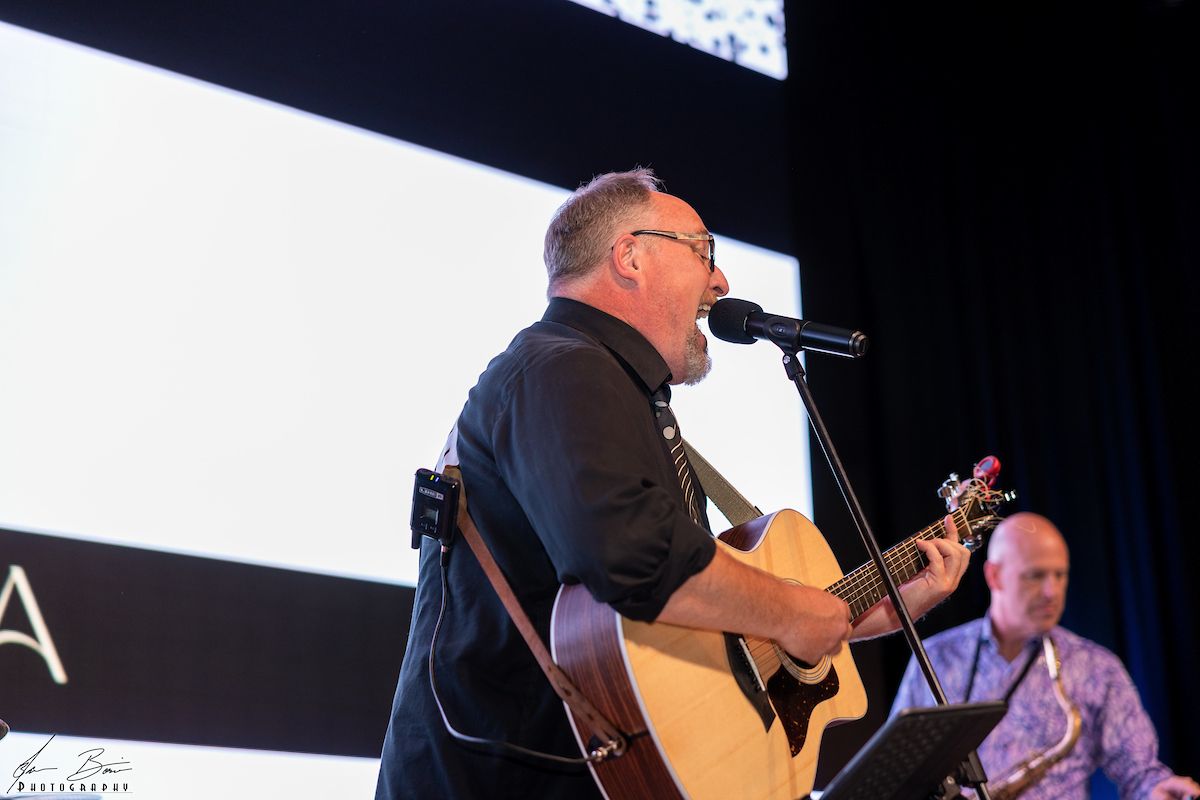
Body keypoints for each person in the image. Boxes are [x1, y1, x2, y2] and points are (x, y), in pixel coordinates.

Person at [375, 168, 972, 799]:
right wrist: (799, 609)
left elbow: (693, 628)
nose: (721, 281)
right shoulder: (563, 368)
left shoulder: (611, 387)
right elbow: (635, 558)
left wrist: (867, 613)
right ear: (630, 255)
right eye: (704, 250)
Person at [890, 512, 1200, 800]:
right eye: (1036, 575)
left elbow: (1140, 773)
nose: (1052, 591)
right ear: (994, 576)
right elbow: (896, 773)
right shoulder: (935, 657)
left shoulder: (1096, 667)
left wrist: (1158, 788)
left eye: (1060, 575)